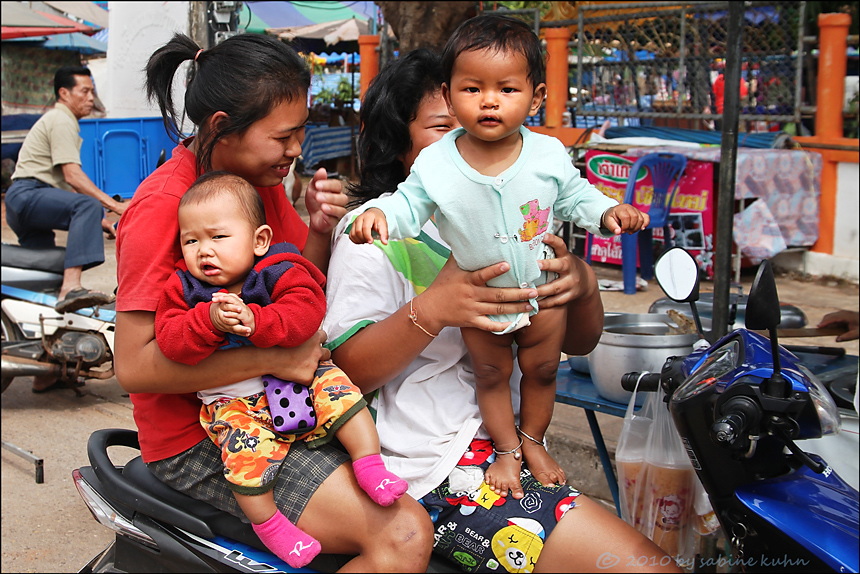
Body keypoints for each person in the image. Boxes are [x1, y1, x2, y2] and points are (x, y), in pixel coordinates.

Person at [323, 46, 678, 572]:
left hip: (509, 447)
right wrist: (434, 309)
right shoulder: (374, 236)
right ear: (401, 146)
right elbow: (348, 370)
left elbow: (578, 343)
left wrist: (581, 285)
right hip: (436, 467)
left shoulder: (520, 216)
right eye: (446, 125)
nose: (469, 139)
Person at [113, 33, 432, 572]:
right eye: (283, 136)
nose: (296, 151)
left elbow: (288, 280)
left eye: (300, 133)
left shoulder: (255, 186)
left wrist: (319, 231)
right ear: (220, 128)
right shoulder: (163, 207)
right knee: (402, 534)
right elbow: (134, 366)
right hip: (202, 433)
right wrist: (273, 359)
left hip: (284, 402)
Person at [349, 15, 649, 498]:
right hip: (482, 303)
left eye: (506, 89)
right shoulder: (437, 163)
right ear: (450, 95)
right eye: (472, 89)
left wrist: (611, 212)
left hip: (541, 295)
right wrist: (378, 217)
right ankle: (508, 450)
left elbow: (577, 196)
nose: (489, 100)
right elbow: (407, 203)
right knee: (491, 374)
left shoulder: (548, 155)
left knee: (544, 370)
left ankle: (533, 442)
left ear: (536, 98)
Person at [154, 171, 407, 567]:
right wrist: (209, 322)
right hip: (234, 400)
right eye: (191, 241)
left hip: (298, 379)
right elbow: (169, 339)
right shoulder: (185, 290)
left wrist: (259, 322)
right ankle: (270, 526)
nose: (204, 251)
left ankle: (369, 464)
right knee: (243, 459)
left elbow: (308, 307)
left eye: (218, 237)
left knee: (344, 398)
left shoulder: (277, 268)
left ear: (259, 240)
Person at [5, 66, 127, 315]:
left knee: (45, 267)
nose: (91, 98)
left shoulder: (58, 119)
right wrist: (114, 206)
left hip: (26, 200)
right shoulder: (61, 119)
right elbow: (72, 176)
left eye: (92, 92)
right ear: (64, 93)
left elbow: (61, 187)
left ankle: (42, 313)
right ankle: (71, 288)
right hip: (29, 194)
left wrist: (99, 220)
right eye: (84, 91)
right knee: (87, 205)